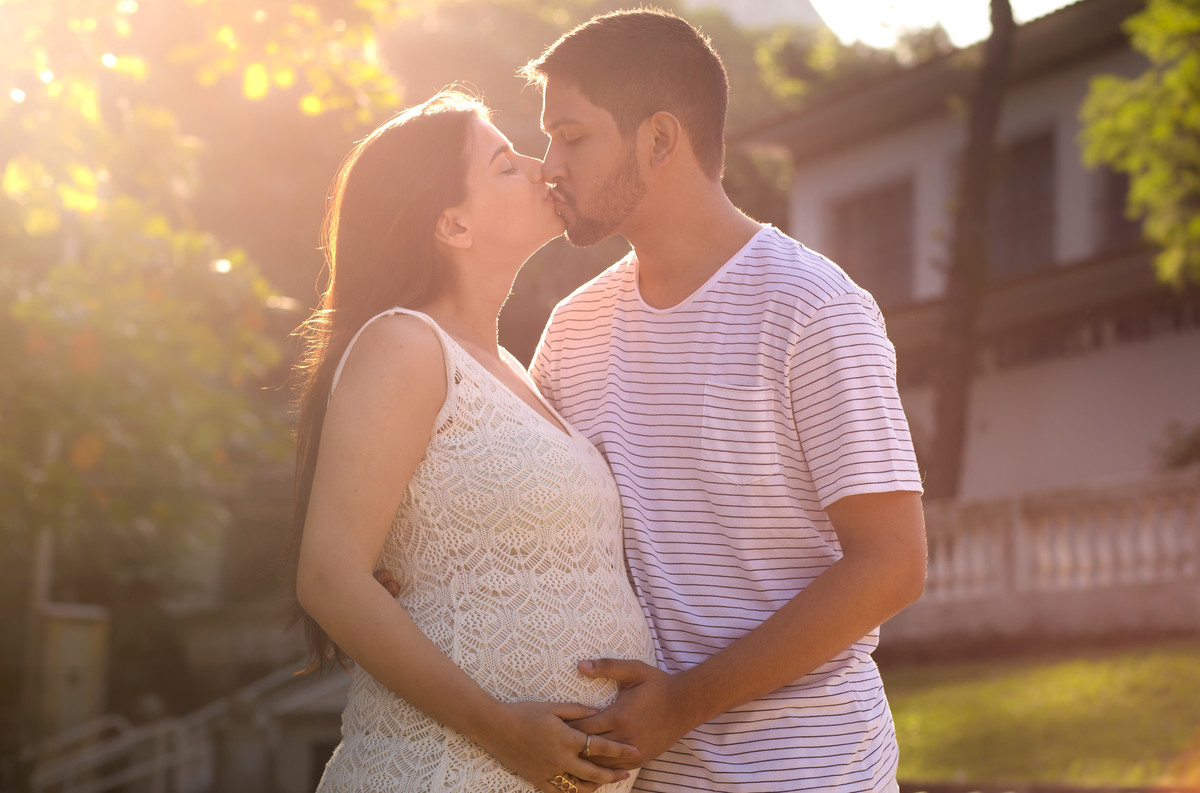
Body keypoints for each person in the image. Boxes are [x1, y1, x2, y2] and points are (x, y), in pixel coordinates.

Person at [518, 10, 929, 793]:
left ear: (660, 140)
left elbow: (893, 564)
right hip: (643, 779)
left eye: (572, 137)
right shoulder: (571, 330)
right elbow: (531, 520)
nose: (550, 166)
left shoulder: (814, 307)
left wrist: (683, 704)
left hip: (810, 774)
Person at [290, 90, 656, 793]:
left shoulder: (514, 369)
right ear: (453, 223)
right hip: (443, 770)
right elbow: (329, 576)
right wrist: (498, 726)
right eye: (505, 164)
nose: (542, 165)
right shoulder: (404, 344)